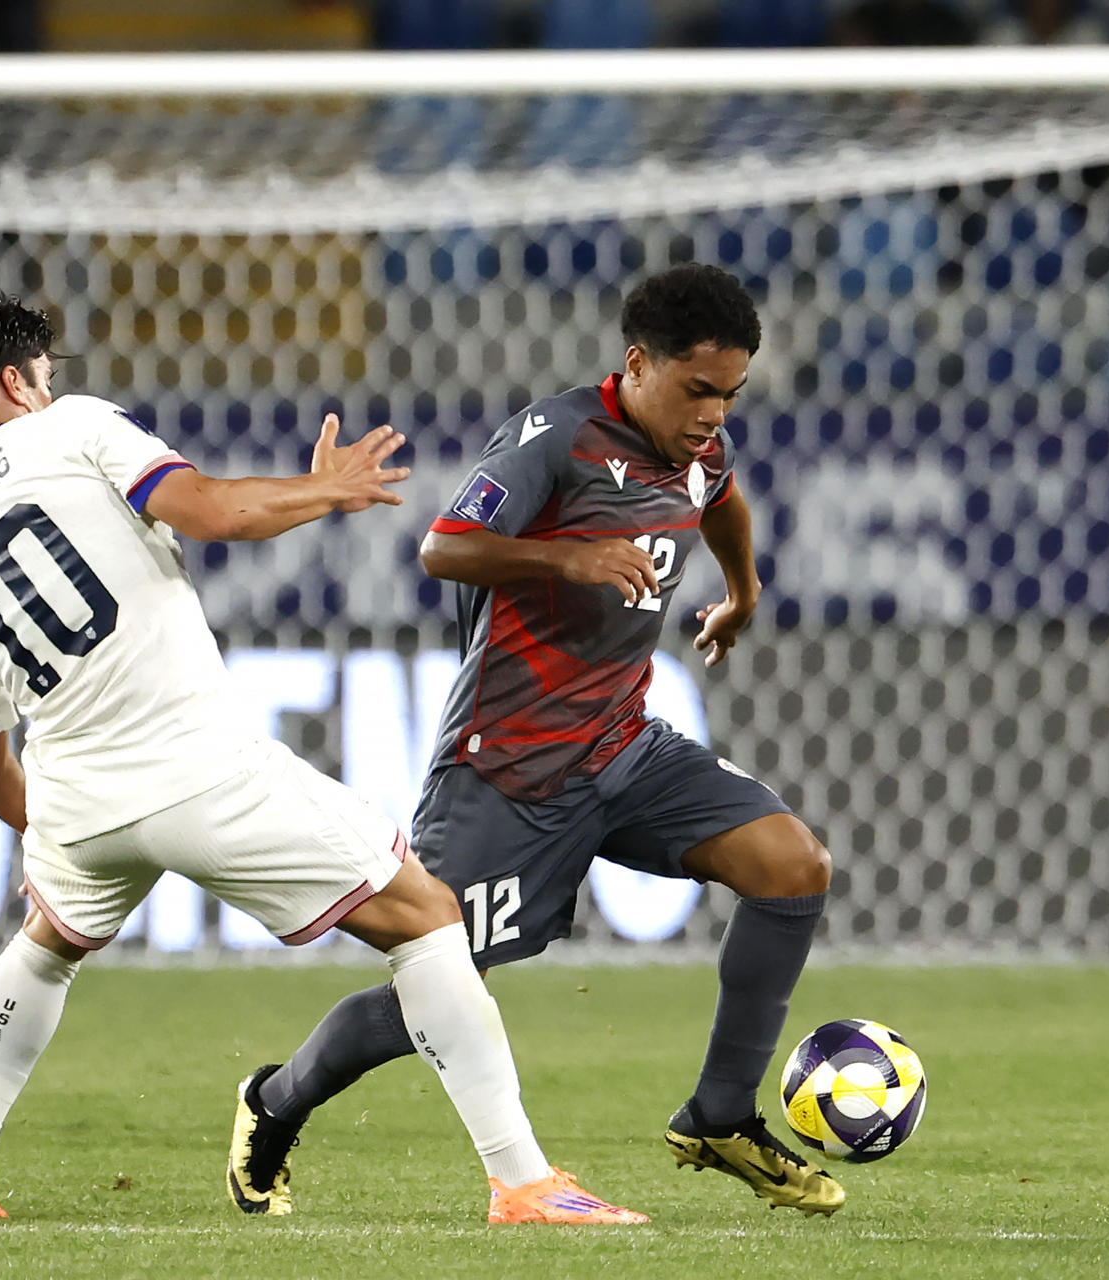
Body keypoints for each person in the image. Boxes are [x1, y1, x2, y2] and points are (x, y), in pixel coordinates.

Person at [0, 291, 642, 1226]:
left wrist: (48, 835)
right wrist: (323, 491)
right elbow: (209, 510)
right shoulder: (72, 427)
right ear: (15, 380)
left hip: (74, 795)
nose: (53, 386)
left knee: (43, 949)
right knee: (424, 917)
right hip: (195, 763)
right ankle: (524, 1181)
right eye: (44, 372)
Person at [227, 263, 846, 1217]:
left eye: (731, 393)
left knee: (792, 865)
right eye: (697, 389)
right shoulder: (554, 438)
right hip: (508, 769)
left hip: (625, 745)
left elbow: (721, 499)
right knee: (429, 995)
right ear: (637, 365)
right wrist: (571, 553)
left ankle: (720, 1116)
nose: (715, 413)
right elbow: (443, 545)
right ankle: (274, 1102)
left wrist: (744, 591)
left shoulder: (697, 448)